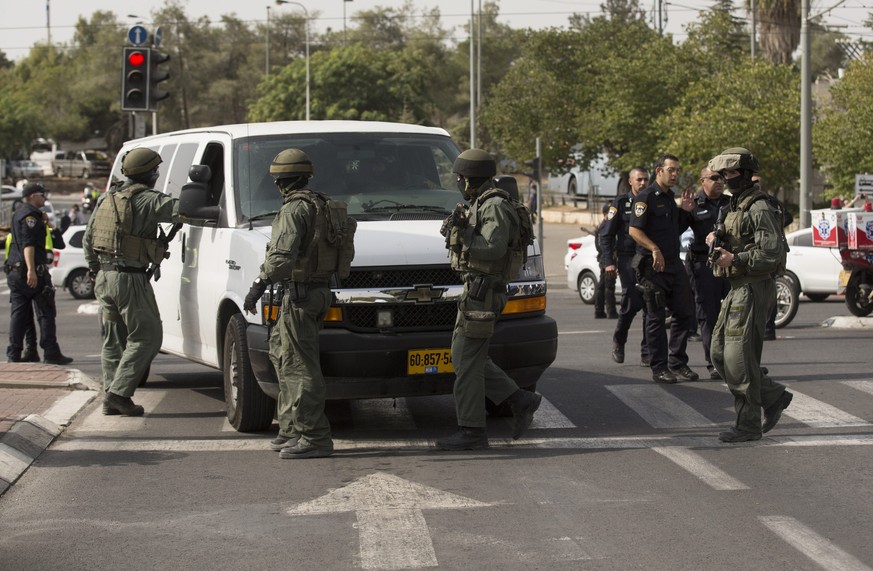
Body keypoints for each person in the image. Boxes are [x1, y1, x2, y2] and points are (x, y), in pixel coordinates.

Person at [244, 148, 355, 459]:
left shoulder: (294, 210)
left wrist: (257, 286)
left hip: (301, 295)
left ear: (280, 182)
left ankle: (314, 437)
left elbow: (280, 259)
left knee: (299, 366)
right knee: (281, 354)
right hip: (315, 292)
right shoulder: (322, 204)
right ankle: (291, 428)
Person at [436, 148, 541, 450]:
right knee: (466, 356)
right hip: (476, 291)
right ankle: (520, 399)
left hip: (485, 292)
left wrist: (462, 235)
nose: (457, 182)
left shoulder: (494, 205)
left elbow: (492, 247)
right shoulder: (480, 202)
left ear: (471, 179)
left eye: (460, 177)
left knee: (466, 362)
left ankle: (471, 431)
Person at [83, 148, 181, 416]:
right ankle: (118, 394)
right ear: (151, 174)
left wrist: (97, 270)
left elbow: (88, 239)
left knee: (114, 340)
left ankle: (110, 397)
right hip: (129, 278)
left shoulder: (106, 198)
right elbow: (184, 211)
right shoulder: (148, 200)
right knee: (148, 336)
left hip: (104, 277)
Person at [706, 147, 793, 442]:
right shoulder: (736, 205)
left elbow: (771, 253)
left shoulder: (758, 207)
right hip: (737, 288)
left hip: (753, 287)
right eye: (722, 175)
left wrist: (736, 259)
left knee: (737, 359)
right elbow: (740, 237)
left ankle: (748, 424)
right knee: (720, 354)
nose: (725, 179)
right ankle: (773, 396)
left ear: (744, 174)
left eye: (729, 174)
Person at [628, 154, 699, 383]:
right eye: (672, 170)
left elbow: (674, 230)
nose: (675, 174)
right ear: (659, 170)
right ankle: (659, 366)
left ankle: (677, 362)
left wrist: (686, 211)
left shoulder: (670, 198)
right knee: (656, 317)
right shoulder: (646, 197)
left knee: (685, 312)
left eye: (678, 170)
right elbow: (635, 231)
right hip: (652, 266)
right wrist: (654, 249)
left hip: (673, 264)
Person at [4, 182, 72, 365]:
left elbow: (59, 244)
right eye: (42, 195)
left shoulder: (20, 213)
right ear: (33, 196)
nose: (45, 198)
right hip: (31, 273)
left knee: (21, 315)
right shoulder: (30, 216)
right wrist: (32, 270)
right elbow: (28, 245)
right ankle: (50, 352)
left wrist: (49, 224)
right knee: (45, 313)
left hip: (16, 272)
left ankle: (18, 353)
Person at [680, 167, 731, 380]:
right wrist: (683, 212)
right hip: (704, 266)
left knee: (732, 314)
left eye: (722, 178)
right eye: (714, 178)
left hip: (729, 265)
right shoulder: (693, 204)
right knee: (708, 316)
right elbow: (677, 229)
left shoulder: (731, 202)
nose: (719, 182)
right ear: (703, 181)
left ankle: (735, 362)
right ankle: (714, 363)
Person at [601, 167, 651, 366]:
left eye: (646, 179)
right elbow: (605, 235)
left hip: (647, 258)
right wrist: (608, 262)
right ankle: (619, 340)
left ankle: (647, 352)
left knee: (651, 303)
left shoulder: (651, 200)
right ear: (631, 181)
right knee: (631, 302)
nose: (643, 183)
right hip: (627, 258)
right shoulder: (621, 203)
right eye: (639, 179)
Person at [594, 203, 617, 319]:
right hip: (607, 260)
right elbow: (602, 246)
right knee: (609, 286)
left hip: (605, 259)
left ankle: (599, 310)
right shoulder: (605, 227)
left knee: (602, 285)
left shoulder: (602, 226)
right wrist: (611, 255)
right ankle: (611, 311)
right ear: (605, 214)